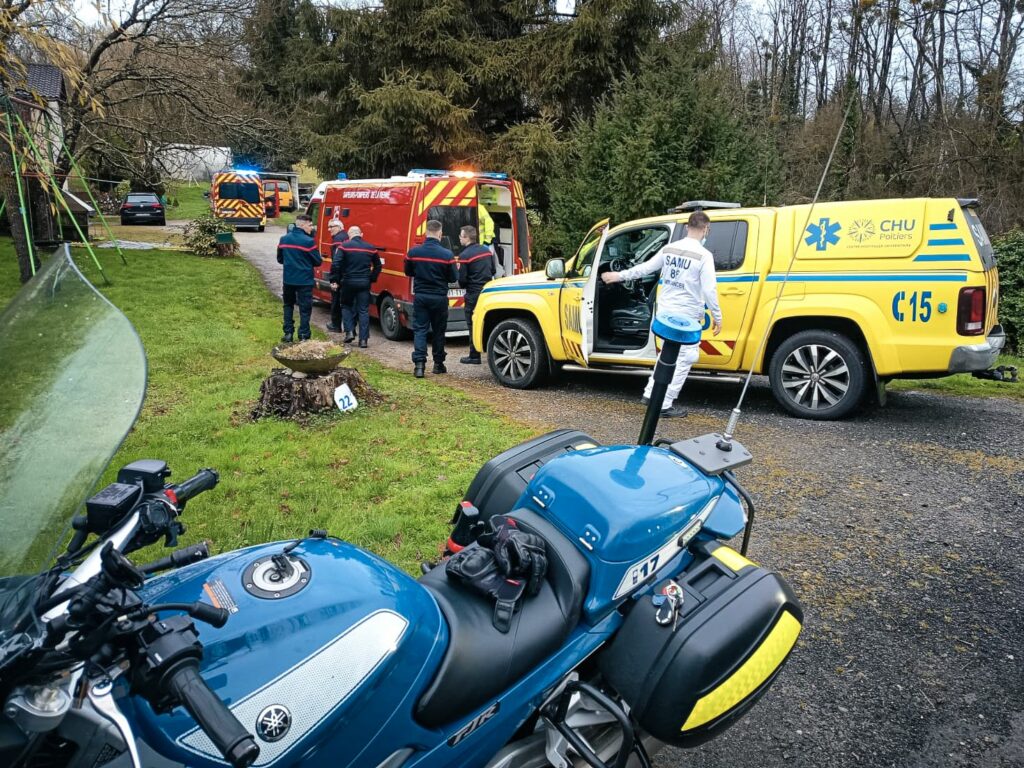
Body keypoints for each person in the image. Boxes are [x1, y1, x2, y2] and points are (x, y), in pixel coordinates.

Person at [601, 211, 721, 418]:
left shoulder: (669, 249)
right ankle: (664, 404)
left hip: (665, 313)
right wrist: (717, 317)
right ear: (706, 229)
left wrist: (618, 276)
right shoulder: (704, 256)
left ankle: (650, 393)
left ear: (686, 227)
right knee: (687, 356)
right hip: (686, 316)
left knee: (667, 354)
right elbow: (710, 290)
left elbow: (645, 268)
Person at [405, 219, 457, 378]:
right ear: (440, 234)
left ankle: (419, 366)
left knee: (420, 329)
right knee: (438, 331)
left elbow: (408, 272)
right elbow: (454, 277)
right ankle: (438, 364)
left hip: (421, 296)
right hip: (439, 297)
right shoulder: (447, 255)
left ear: (426, 233)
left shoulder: (413, 252)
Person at [332, 225, 381, 348]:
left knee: (346, 306)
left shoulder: (344, 247)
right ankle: (363, 340)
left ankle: (349, 332)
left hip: (348, 282)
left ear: (349, 235)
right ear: (361, 234)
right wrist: (372, 278)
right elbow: (378, 266)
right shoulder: (371, 248)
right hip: (364, 282)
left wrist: (335, 280)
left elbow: (336, 264)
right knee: (363, 310)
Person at [276, 214, 321, 342]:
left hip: (288, 279)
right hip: (305, 280)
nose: (312, 228)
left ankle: (288, 333)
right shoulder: (308, 242)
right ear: (303, 225)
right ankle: (303, 334)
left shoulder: (284, 239)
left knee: (288, 305)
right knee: (305, 308)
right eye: (310, 225)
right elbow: (317, 261)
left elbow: (280, 259)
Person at [457, 225, 495, 364]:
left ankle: (474, 356)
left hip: (473, 294)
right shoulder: (486, 251)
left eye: (461, 236)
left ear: (466, 237)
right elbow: (493, 270)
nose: (459, 238)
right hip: (487, 292)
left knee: (472, 324)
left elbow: (462, 280)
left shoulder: (464, 256)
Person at [325, 218, 349, 332]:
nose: (329, 229)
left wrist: (334, 279)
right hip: (348, 275)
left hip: (340, 276)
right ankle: (349, 328)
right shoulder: (346, 237)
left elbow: (336, 262)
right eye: (328, 227)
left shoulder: (337, 240)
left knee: (336, 301)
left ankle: (336, 325)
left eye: (331, 227)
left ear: (339, 227)